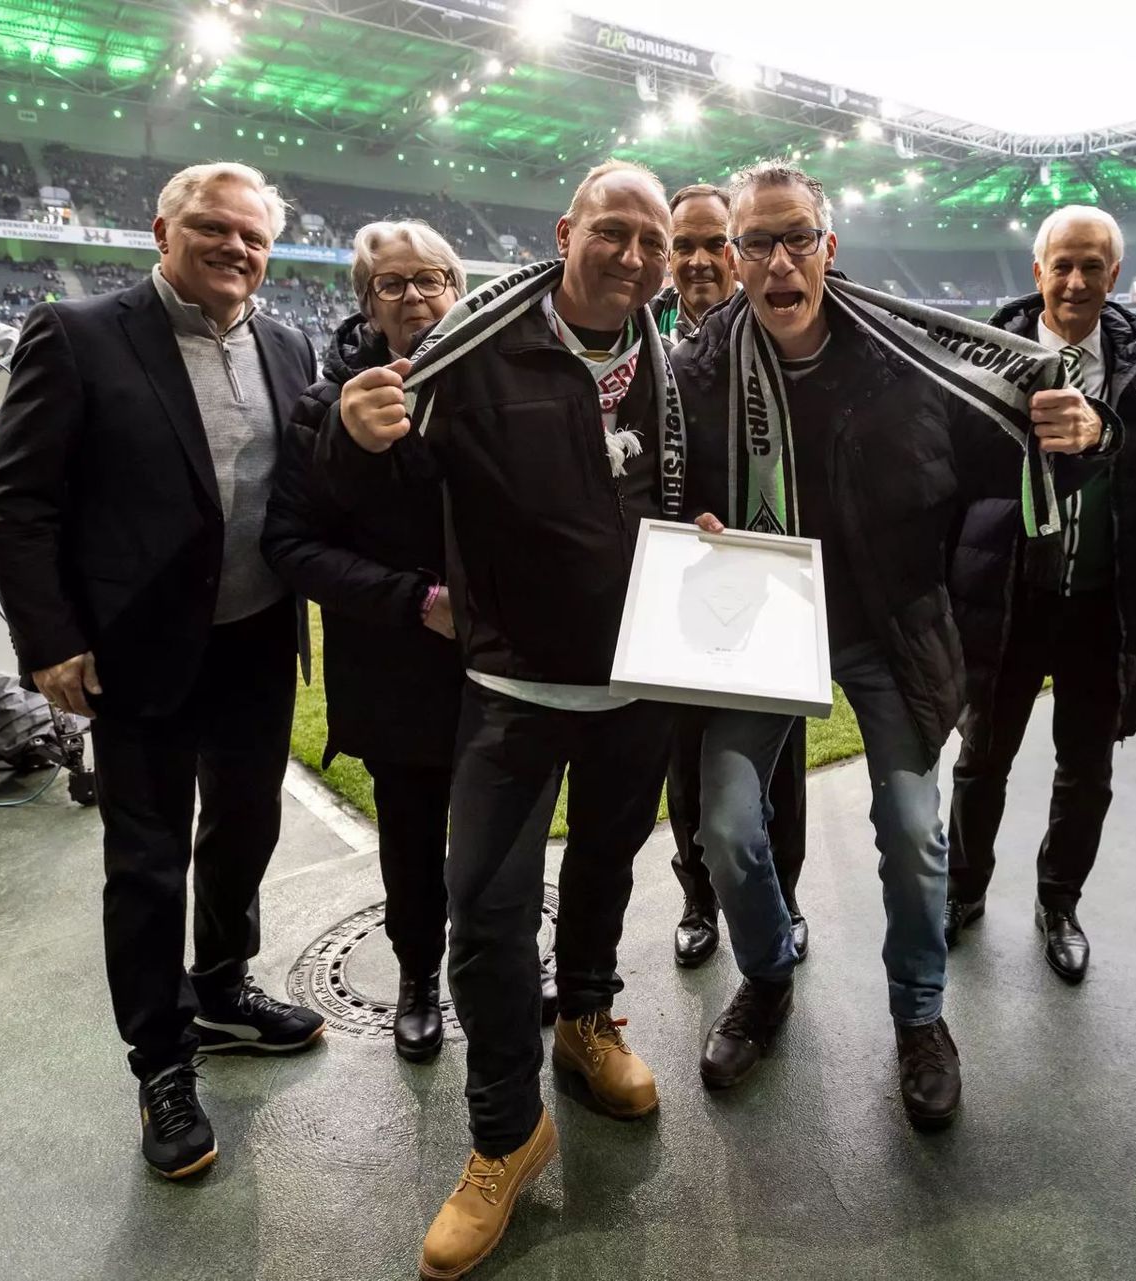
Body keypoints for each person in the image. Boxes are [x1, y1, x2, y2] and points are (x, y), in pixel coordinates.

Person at [672, 162, 1112, 1120]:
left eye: (796, 238)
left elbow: (1016, 448)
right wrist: (694, 521)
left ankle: (920, 1015)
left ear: (828, 248)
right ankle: (768, 977)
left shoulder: (903, 360)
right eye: (758, 242)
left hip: (890, 631)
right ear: (736, 256)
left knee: (914, 831)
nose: (778, 261)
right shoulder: (698, 372)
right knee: (727, 826)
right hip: (763, 630)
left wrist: (1083, 435)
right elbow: (667, 491)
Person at [323, 160, 681, 1281]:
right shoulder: (474, 347)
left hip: (639, 688)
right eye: (613, 231)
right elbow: (364, 494)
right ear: (566, 232)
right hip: (514, 690)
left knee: (607, 872)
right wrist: (350, 433)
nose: (632, 257)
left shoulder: (683, 365)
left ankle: (587, 1020)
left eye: (653, 242)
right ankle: (504, 1134)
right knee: (484, 914)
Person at [0, 162, 324, 1181]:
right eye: (213, 227)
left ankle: (221, 986)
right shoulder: (79, 334)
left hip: (255, 636)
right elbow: (16, 498)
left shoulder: (287, 344)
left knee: (246, 828)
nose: (235, 248)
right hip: (136, 648)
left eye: (253, 236)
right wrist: (49, 639)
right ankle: (162, 1061)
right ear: (163, 231)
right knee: (145, 861)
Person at [263, 219, 560, 1063]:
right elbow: (291, 544)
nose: (416, 297)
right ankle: (420, 977)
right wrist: (416, 600)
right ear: (366, 303)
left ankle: (503, 964)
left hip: (509, 664)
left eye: (432, 279)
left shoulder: (504, 385)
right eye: (391, 284)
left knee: (506, 834)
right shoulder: (324, 407)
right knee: (413, 833)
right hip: (398, 668)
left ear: (459, 289)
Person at [945, 205, 1136, 983]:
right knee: (982, 758)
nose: (1075, 281)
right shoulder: (983, 357)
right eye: (1062, 265)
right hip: (1008, 597)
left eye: (1092, 266)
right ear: (1037, 271)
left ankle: (1059, 902)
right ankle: (963, 890)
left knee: (1087, 769)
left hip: (1101, 602)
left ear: (1115, 274)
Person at [650, 181, 811, 968]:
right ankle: (698, 898)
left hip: (773, 583)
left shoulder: (782, 337)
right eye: (682, 245)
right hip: (687, 585)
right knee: (687, 757)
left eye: (715, 243)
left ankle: (785, 896)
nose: (699, 260)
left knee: (781, 761)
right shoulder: (647, 344)